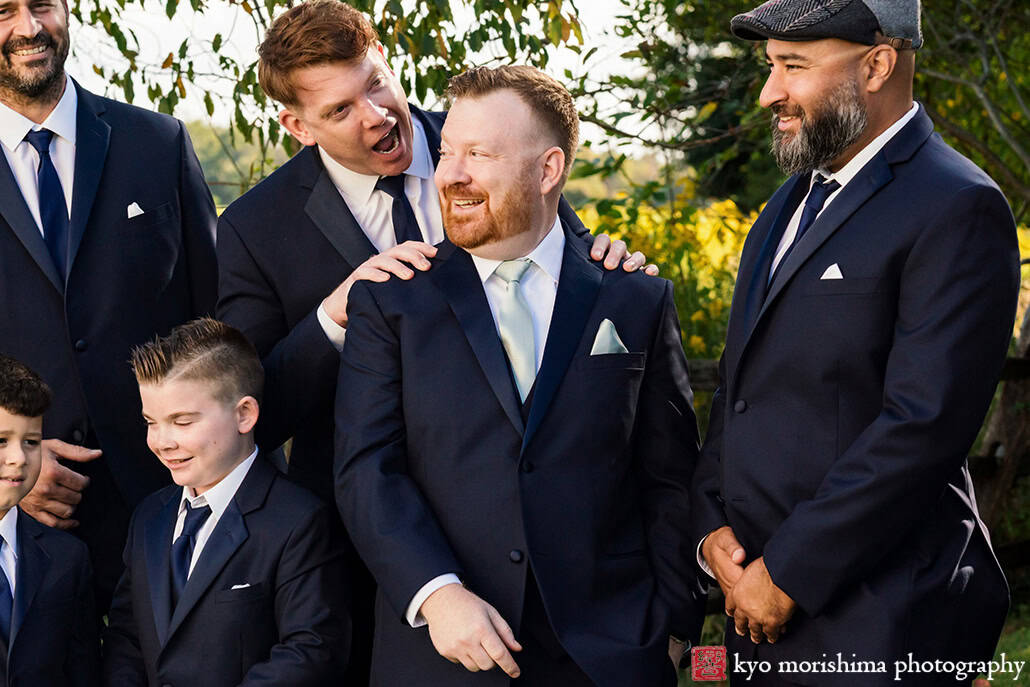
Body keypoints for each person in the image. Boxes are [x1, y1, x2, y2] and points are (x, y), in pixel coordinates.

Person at [216, 1, 650, 678]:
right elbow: (252, 411)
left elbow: (563, 267)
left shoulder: (491, 140)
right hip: (366, 551)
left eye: (376, 84)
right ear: (295, 126)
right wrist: (333, 314)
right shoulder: (255, 225)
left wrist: (607, 259)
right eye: (339, 111)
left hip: (540, 551)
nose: (376, 115)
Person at [336, 64, 705, 686]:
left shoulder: (633, 298)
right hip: (445, 655)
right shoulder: (393, 302)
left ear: (548, 169)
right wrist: (437, 595)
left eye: (478, 154)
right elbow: (366, 470)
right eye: (449, 151)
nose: (449, 173)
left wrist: (671, 628)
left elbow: (669, 476)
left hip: (608, 657)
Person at [691, 1, 1019, 684]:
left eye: (793, 66)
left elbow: (921, 428)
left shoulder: (959, 205)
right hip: (758, 620)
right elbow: (739, 391)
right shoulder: (782, 209)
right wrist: (709, 526)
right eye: (770, 65)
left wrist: (787, 574)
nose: (768, 92)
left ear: (877, 64)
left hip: (888, 630)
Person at [0, 0, 217, 613]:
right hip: (18, 526)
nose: (29, 28)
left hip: (168, 505)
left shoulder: (158, 142)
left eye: (42, 4)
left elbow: (215, 319)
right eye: (3, 11)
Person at [103, 318, 350, 687]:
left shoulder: (299, 521)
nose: (162, 441)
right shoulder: (149, 517)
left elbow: (311, 650)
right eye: (151, 423)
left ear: (244, 414)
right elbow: (127, 636)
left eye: (182, 422)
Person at [0, 355, 98, 686]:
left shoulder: (68, 558)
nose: (18, 459)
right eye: (2, 441)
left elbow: (82, 670)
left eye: (30, 442)